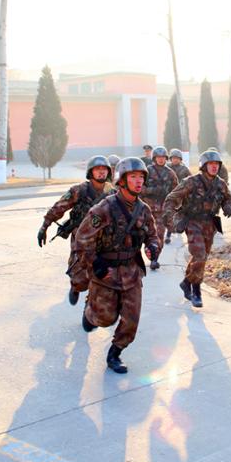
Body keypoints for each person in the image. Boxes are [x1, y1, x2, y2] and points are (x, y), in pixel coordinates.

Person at [75, 157, 160, 374]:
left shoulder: (143, 210)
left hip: (132, 273)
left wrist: (153, 247)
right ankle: (89, 313)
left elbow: (153, 235)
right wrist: (96, 264)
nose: (138, 181)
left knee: (131, 319)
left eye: (141, 177)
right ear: (121, 180)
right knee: (105, 318)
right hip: (106, 274)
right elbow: (82, 238)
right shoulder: (105, 208)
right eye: (133, 177)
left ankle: (115, 353)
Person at [37, 155, 114, 306]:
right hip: (81, 238)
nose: (101, 172)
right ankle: (76, 287)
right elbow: (59, 207)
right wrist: (45, 226)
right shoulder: (79, 190)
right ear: (90, 172)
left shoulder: (112, 192)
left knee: (102, 272)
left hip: (103, 238)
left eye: (104, 169)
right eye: (97, 169)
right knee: (80, 275)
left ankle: (91, 301)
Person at [163, 149, 231, 309]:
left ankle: (186, 282)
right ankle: (196, 291)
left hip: (210, 224)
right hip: (192, 222)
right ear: (204, 166)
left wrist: (229, 206)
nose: (214, 167)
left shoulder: (220, 183)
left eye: (217, 164)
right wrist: (172, 218)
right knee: (199, 254)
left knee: (201, 258)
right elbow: (172, 198)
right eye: (211, 164)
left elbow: (228, 198)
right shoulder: (191, 182)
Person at [140, 146, 178, 267]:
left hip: (162, 210)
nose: (161, 160)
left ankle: (154, 259)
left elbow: (176, 191)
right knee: (145, 235)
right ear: (154, 158)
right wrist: (153, 190)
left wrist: (174, 206)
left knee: (159, 235)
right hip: (147, 210)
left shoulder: (170, 173)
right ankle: (146, 253)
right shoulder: (147, 171)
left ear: (166, 158)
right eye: (158, 157)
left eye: (163, 158)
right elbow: (139, 187)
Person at [165, 148, 191, 244]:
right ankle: (168, 235)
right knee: (169, 213)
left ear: (180, 159)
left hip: (182, 196)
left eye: (177, 158)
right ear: (170, 159)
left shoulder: (184, 169)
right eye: (173, 158)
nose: (175, 160)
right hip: (170, 195)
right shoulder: (167, 168)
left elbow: (191, 180)